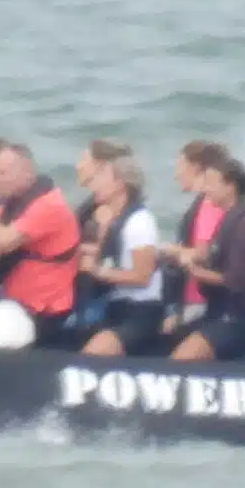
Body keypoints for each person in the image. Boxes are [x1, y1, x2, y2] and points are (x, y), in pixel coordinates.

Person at [161, 143, 245, 362]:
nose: (205, 189)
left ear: (229, 187)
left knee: (180, 361)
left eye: (211, 183)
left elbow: (235, 281)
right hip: (218, 310)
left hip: (239, 317)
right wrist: (188, 257)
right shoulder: (230, 217)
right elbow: (215, 255)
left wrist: (194, 271)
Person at [0, 141, 80, 344]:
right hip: (14, 300)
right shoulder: (17, 202)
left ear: (27, 171)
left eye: (4, 173)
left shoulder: (49, 205)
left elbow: (4, 241)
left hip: (44, 308)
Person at [77, 151, 167, 357]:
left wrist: (97, 271)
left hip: (141, 311)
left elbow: (142, 276)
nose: (94, 184)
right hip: (114, 305)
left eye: (101, 178)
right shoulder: (113, 219)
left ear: (120, 184)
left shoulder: (140, 221)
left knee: (93, 354)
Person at [157, 140, 225, 339]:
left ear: (195, 167)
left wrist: (170, 250)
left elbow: (205, 252)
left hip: (200, 300)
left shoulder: (209, 205)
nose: (177, 174)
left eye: (180, 166)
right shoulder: (206, 202)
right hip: (196, 297)